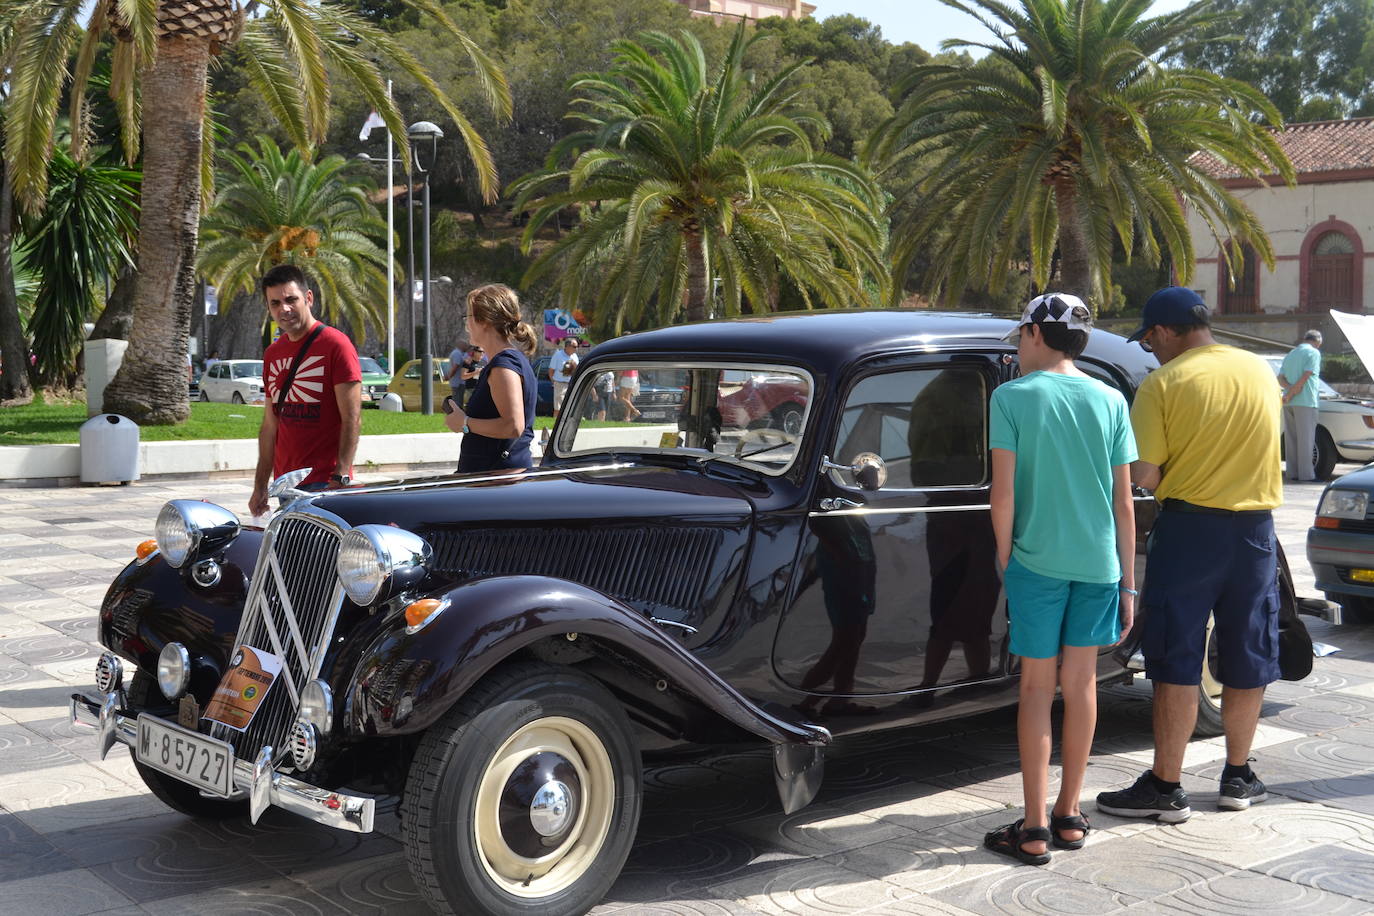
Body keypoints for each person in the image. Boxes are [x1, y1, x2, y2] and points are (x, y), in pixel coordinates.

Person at [1096, 287, 1282, 824]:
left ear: (1167, 331)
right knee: (1248, 652)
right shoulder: (1259, 372)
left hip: (1190, 531)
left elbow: (1145, 475)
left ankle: (1166, 785)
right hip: (1255, 534)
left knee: (1176, 656)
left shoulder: (1162, 384)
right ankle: (1239, 776)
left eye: (1150, 338)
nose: (1150, 349)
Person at [982, 293, 1137, 866]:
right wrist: (1126, 583)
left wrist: (1006, 560)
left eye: (1022, 335)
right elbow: (1125, 503)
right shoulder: (1110, 398)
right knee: (1083, 686)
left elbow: (1004, 496)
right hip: (1100, 565)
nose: (1019, 346)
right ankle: (1070, 816)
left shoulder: (1012, 397)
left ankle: (1032, 827)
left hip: (1037, 563)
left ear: (1037, 335)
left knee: (1034, 691)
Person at [248, 265, 362, 517]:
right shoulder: (272, 354)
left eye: (291, 300)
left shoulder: (336, 345)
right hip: (286, 484)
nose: (284, 309)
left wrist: (341, 475)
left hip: (324, 483)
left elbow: (352, 418)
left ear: (308, 298)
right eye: (275, 303)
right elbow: (270, 425)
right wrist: (260, 486)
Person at [443, 284, 538, 472]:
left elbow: (513, 426)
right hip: (494, 478)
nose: (467, 325)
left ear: (485, 321)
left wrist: (464, 423)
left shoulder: (504, 365)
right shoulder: (507, 361)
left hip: (496, 481)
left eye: (468, 317)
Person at [1277, 330, 1323, 481]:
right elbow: (1306, 376)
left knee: (1291, 439)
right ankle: (1306, 475)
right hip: (1306, 401)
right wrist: (1293, 392)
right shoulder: (1314, 353)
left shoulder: (1291, 353)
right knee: (1306, 439)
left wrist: (1289, 391)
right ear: (1318, 342)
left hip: (1288, 402)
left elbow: (1280, 378)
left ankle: (1292, 473)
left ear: (1304, 339)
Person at [549, 337, 581, 416]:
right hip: (560, 384)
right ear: (567, 346)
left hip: (570, 384)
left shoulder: (575, 356)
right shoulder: (558, 355)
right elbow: (551, 370)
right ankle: (555, 424)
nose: (576, 349)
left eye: (577, 346)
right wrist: (554, 382)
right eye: (574, 347)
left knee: (569, 407)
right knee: (558, 408)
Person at [444, 340, 468, 406]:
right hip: (457, 383)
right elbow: (455, 367)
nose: (467, 347)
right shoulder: (457, 353)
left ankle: (458, 415)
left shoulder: (458, 353)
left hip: (458, 382)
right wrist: (449, 376)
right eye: (465, 345)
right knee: (457, 402)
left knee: (458, 401)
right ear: (461, 345)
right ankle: (457, 415)